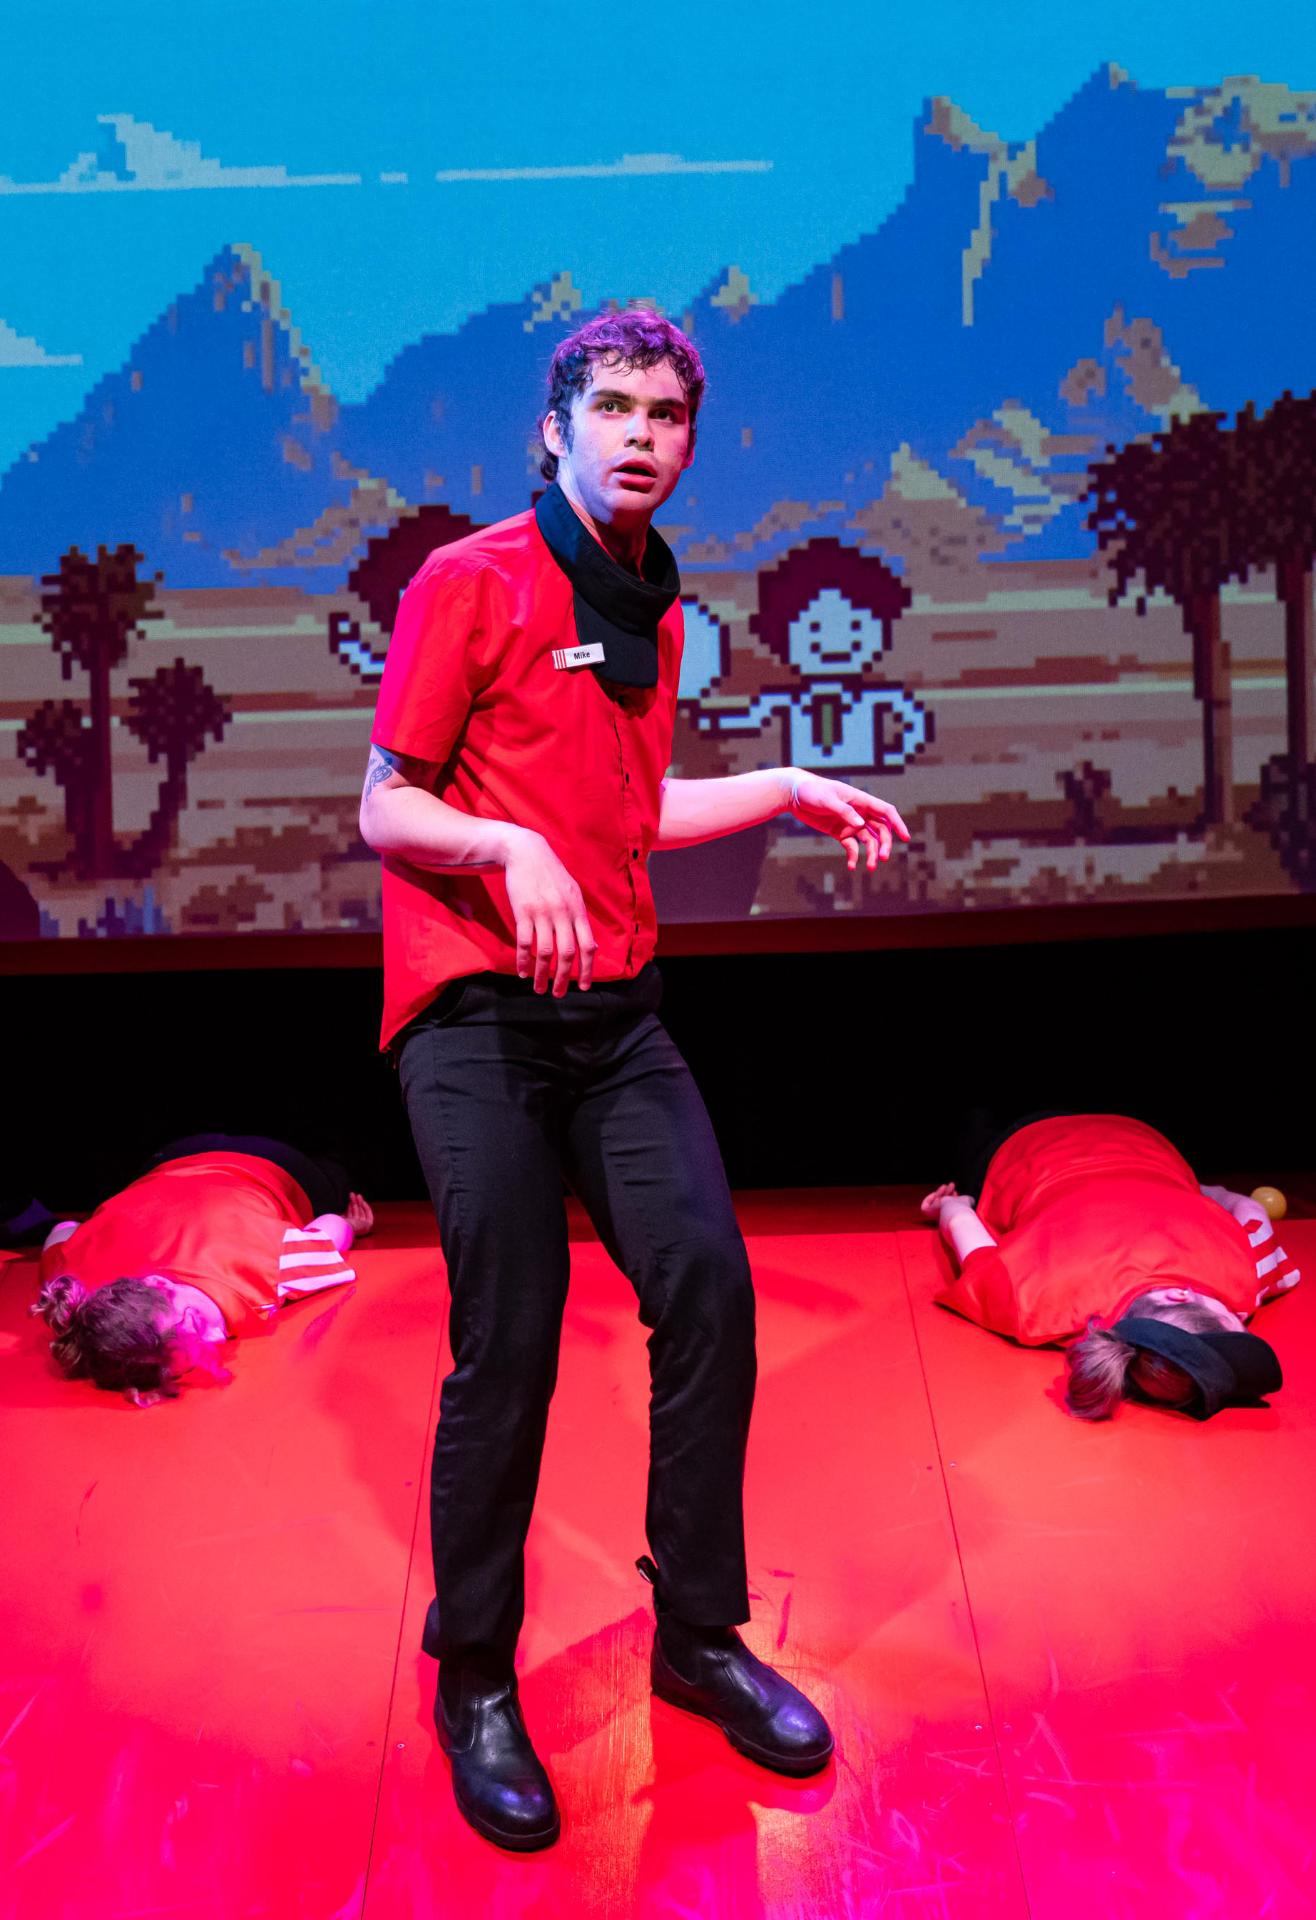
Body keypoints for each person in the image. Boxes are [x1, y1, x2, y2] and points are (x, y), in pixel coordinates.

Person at [358, 308, 910, 1851]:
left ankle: (698, 1636)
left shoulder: (652, 605)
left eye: (666, 415)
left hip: (610, 1018)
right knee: (513, 1331)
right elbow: (388, 809)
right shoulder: (470, 582)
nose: (641, 436)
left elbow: (625, 808)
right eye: (613, 408)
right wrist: (503, 847)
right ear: (554, 429)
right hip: (475, 1013)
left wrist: (784, 784)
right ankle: (477, 1676)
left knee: (709, 1287)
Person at [920, 1113, 1297, 1420]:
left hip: (1132, 1134)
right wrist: (949, 1205)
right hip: (1022, 1145)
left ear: (1179, 1296)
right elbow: (962, 1223)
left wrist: (1195, 1189)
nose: (1241, 1314)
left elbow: (1247, 1208)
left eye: (1234, 1321)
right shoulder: (1034, 1307)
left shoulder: (1250, 1272)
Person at [31, 1134, 372, 1407]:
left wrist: (351, 1225)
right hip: (167, 1159)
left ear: (159, 1285)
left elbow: (330, 1227)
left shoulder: (270, 1272)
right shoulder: (74, 1280)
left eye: (195, 1321)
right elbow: (64, 1229)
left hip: (269, 1160)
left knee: (334, 1171)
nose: (215, 1339)